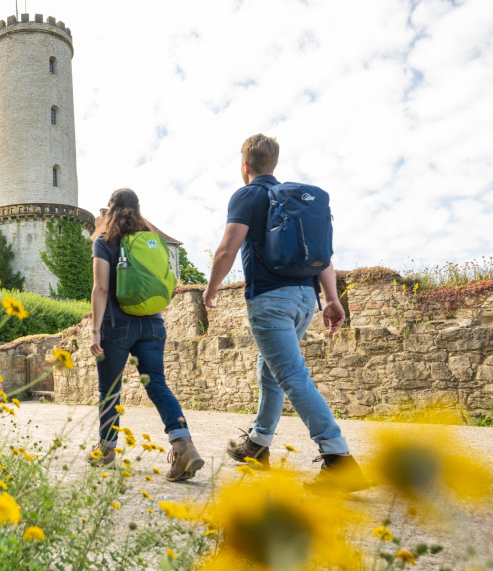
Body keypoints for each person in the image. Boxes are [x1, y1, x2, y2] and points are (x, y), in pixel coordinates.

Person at [202, 134, 368, 492]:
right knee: (270, 370)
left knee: (291, 375)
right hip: (305, 300)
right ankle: (257, 445)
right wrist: (331, 299)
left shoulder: (248, 195)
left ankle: (338, 457)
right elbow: (323, 256)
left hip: (270, 301)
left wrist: (211, 288)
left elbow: (228, 248)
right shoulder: (294, 201)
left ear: (245, 166)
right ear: (273, 164)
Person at [88, 188, 203, 482]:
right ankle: (184, 446)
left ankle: (106, 451)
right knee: (158, 385)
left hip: (116, 325)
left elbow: (101, 288)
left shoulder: (105, 242)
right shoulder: (153, 242)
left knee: (109, 390)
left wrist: (95, 331)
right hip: (153, 323)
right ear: (138, 210)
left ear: (111, 210)